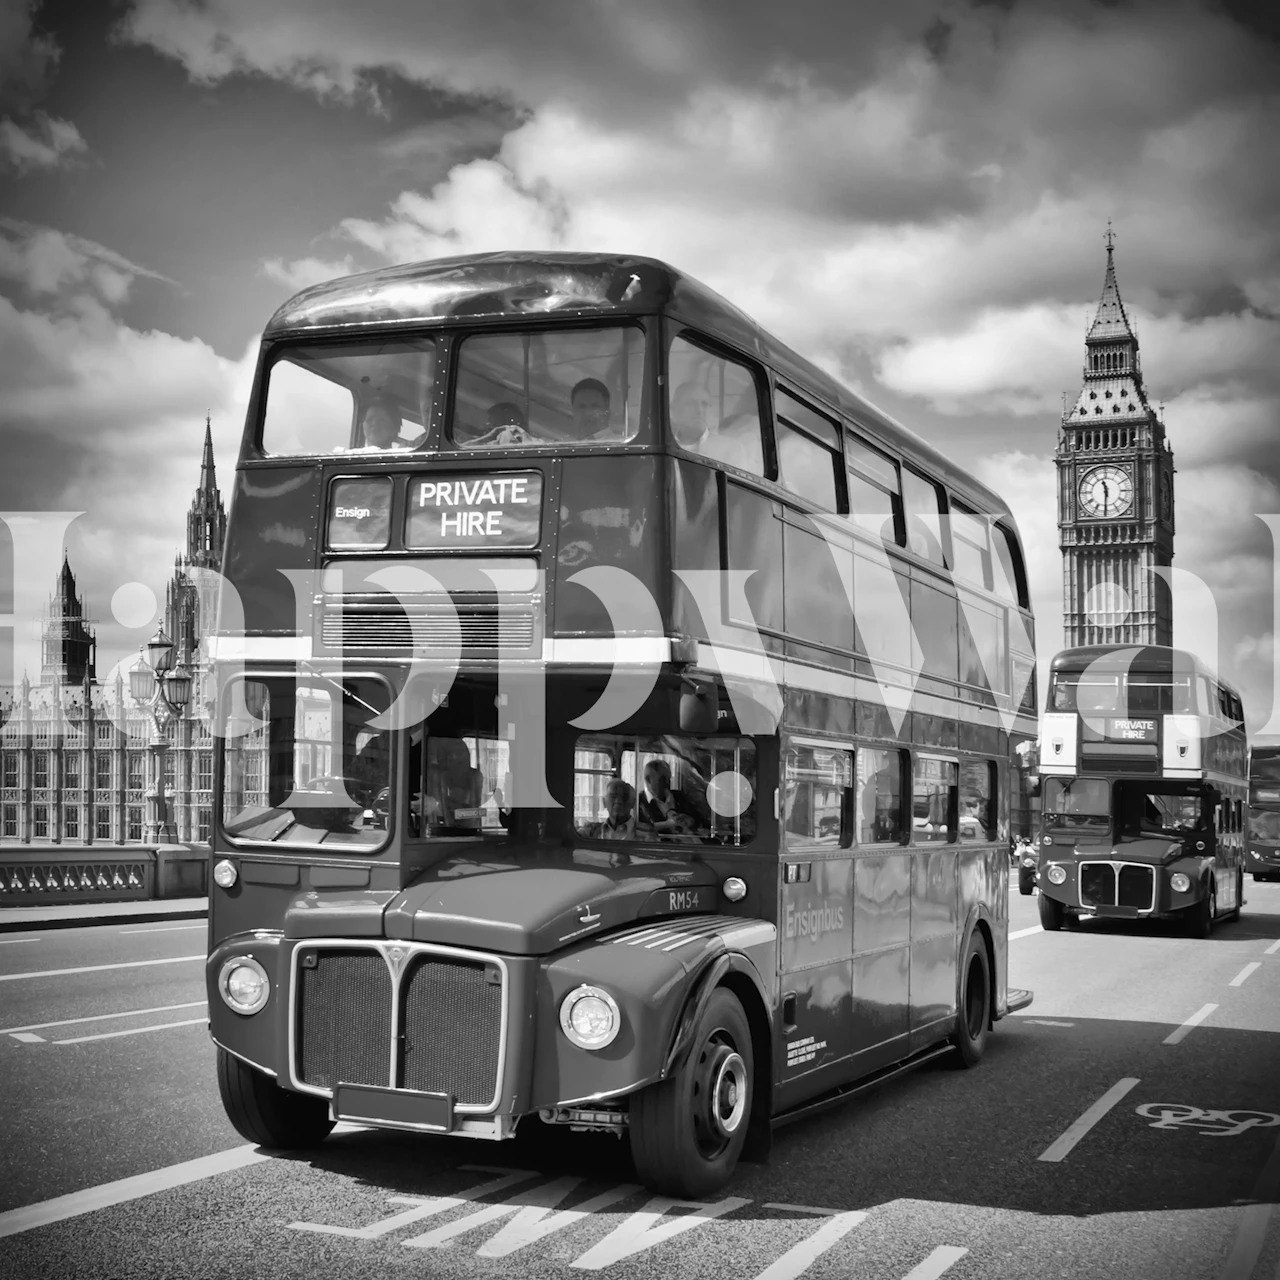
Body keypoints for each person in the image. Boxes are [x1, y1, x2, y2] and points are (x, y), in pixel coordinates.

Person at [637, 759, 700, 835]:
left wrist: (691, 821)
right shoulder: (639, 802)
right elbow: (641, 829)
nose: (667, 782)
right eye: (662, 779)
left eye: (669, 778)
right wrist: (667, 824)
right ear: (648, 780)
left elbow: (699, 821)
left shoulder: (679, 796)